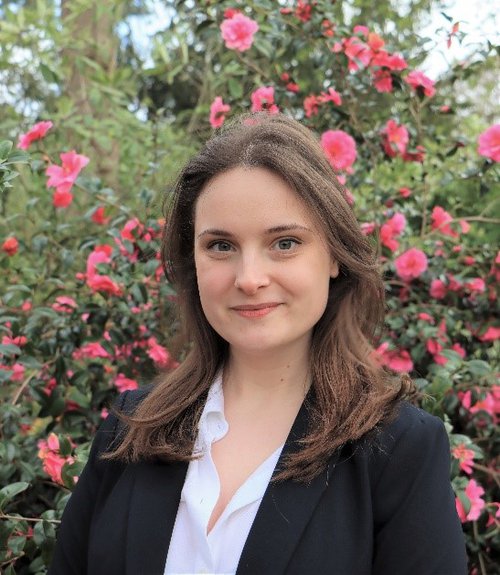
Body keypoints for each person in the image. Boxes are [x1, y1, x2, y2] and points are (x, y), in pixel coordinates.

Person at [49, 112, 467, 575]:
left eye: (285, 243)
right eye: (221, 246)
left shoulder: (397, 451)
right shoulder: (127, 432)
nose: (249, 279)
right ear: (193, 262)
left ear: (333, 255)